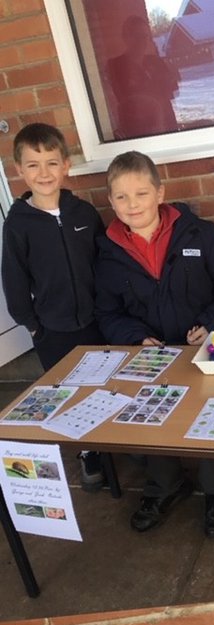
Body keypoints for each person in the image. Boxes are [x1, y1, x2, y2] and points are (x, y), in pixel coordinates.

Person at [95, 151, 214, 537]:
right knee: (132, 412)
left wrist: (212, 324)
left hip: (205, 350)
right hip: (151, 357)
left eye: (141, 194)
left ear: (160, 193)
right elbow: (107, 313)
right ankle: (165, 484)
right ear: (110, 201)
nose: (133, 205)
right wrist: (134, 338)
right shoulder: (107, 253)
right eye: (122, 197)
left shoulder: (201, 234)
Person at [1, 122, 106, 491]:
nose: (43, 173)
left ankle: (111, 440)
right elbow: (13, 280)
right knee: (68, 389)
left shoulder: (84, 214)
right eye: (33, 165)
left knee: (103, 382)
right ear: (19, 171)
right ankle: (87, 452)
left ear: (65, 166)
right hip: (52, 329)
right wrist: (32, 325)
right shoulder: (18, 224)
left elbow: (104, 262)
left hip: (96, 320)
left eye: (51, 163)